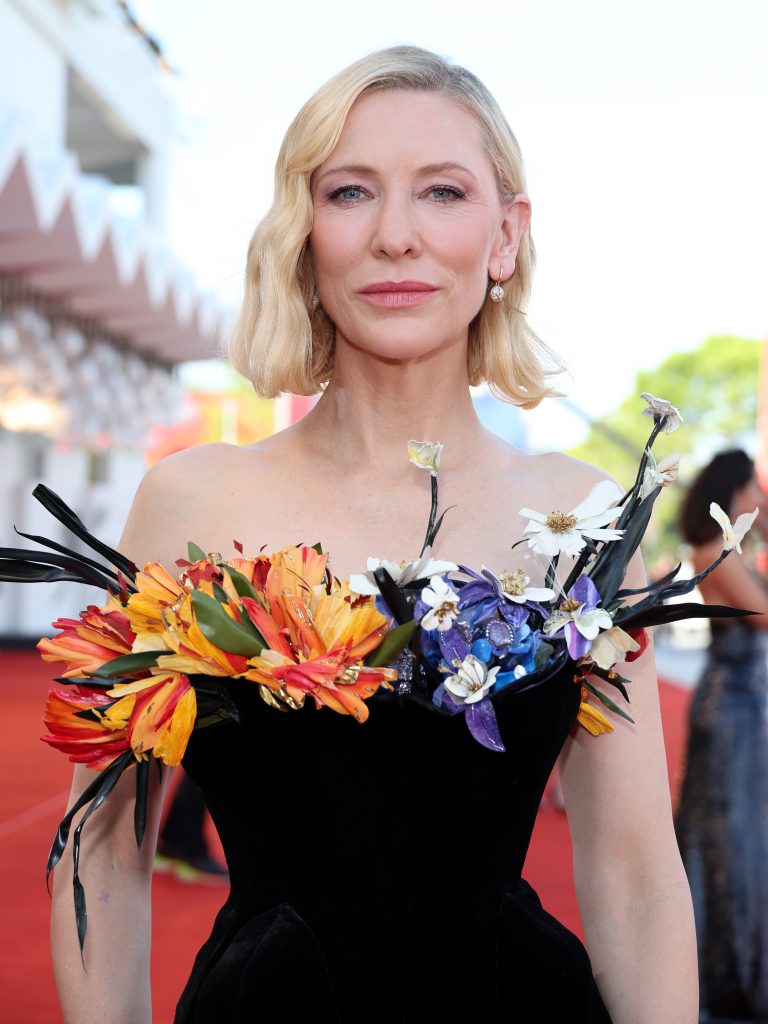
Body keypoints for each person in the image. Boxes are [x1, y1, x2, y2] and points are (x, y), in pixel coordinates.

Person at [49, 46, 697, 1023]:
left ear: (506, 235)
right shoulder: (189, 505)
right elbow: (99, 845)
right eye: (351, 192)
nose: (396, 235)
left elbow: (637, 875)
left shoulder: (588, 520)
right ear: (305, 231)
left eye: (442, 192)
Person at [676, 450, 768, 1022]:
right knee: (725, 834)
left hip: (743, 700)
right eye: (755, 488)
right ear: (736, 492)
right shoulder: (717, 551)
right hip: (729, 703)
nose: (760, 497)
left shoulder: (728, 550)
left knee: (740, 830)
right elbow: (762, 614)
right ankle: (722, 972)